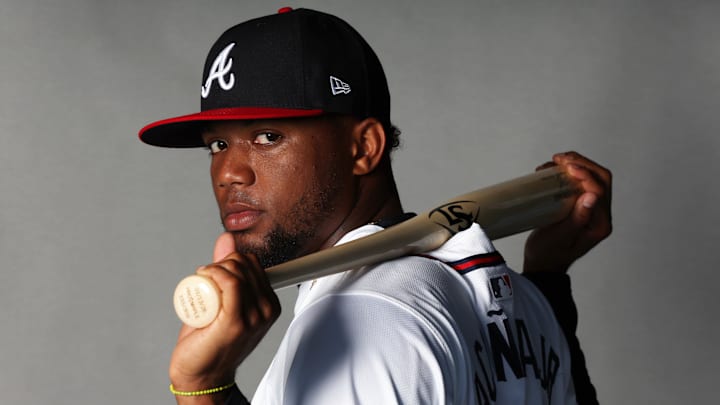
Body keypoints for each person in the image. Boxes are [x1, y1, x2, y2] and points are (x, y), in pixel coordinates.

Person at [138, 7, 611, 405]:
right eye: (217, 145)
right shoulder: (517, 297)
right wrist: (549, 274)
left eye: (268, 137)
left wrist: (203, 387)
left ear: (363, 147)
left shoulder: (367, 316)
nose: (229, 172)